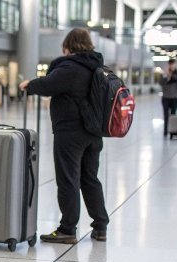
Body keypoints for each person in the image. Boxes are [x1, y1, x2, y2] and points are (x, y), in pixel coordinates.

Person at [19, 28, 109, 244]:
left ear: (67, 46)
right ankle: (100, 226)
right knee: (90, 179)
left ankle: (67, 229)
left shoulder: (70, 66)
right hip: (94, 133)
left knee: (68, 178)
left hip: (71, 132)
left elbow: (49, 85)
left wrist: (28, 85)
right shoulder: (98, 67)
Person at [158, 60, 177, 137]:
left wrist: (171, 75)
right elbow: (161, 82)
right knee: (166, 115)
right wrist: (166, 76)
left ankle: (172, 130)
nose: (171, 66)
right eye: (170, 64)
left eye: (173, 64)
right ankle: (165, 130)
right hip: (165, 97)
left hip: (175, 97)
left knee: (173, 114)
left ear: (175, 65)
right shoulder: (164, 73)